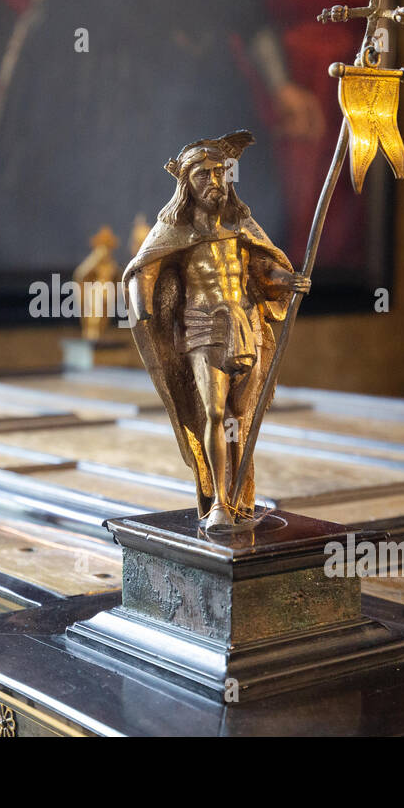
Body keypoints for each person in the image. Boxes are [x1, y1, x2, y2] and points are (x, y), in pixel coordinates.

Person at [124, 131, 308, 530]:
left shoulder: (241, 225)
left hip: (245, 324)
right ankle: (218, 504)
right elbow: (145, 267)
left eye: (219, 173)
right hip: (203, 326)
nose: (213, 182)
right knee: (214, 411)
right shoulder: (175, 229)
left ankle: (240, 498)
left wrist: (286, 279)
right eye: (203, 175)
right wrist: (142, 305)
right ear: (186, 184)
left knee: (239, 417)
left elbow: (262, 270)